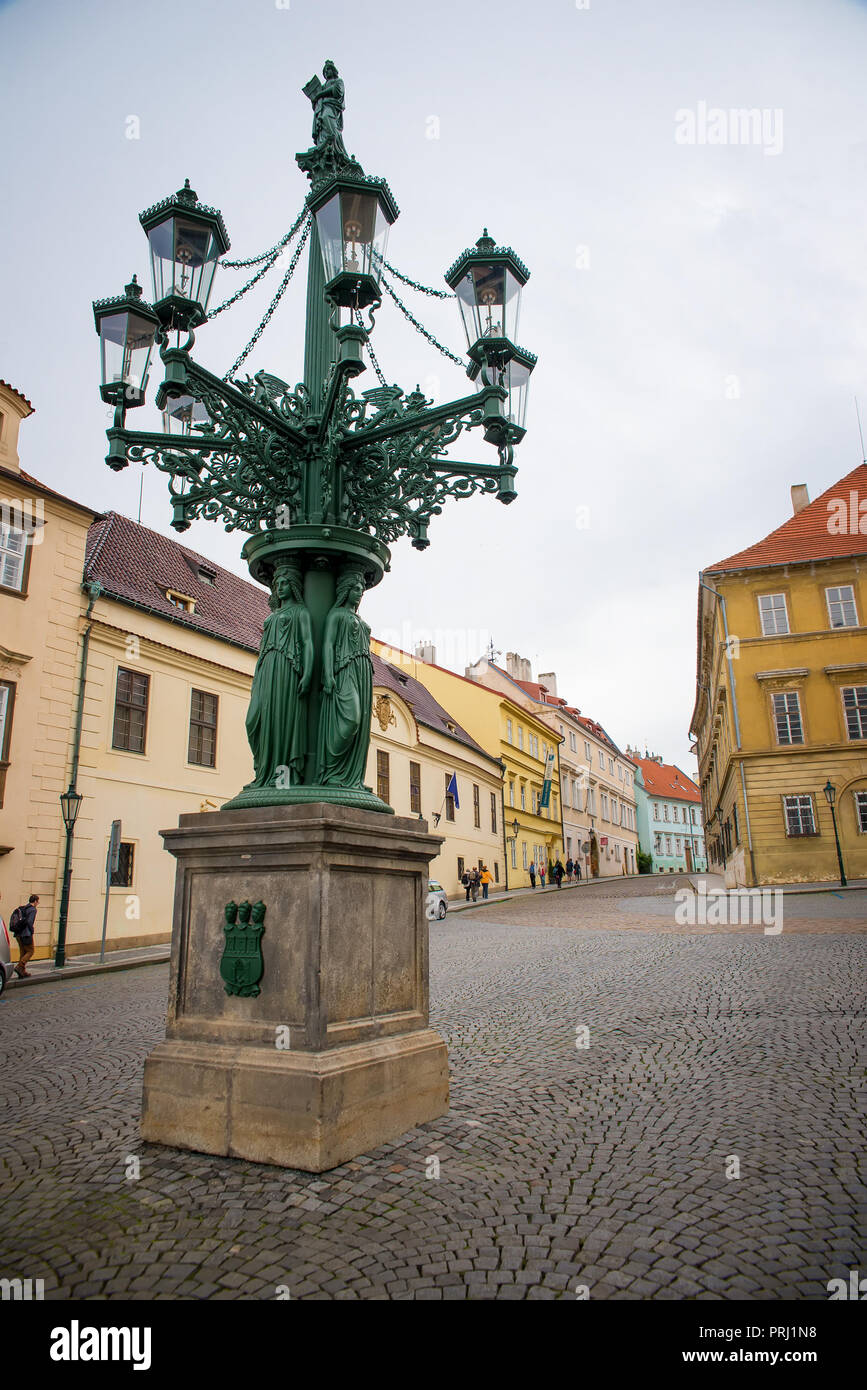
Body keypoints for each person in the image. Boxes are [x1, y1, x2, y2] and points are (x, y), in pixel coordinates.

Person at [11, 894, 39, 978]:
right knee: (30, 951)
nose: (38, 903)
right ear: (35, 901)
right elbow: (29, 922)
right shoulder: (33, 909)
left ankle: (22, 972)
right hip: (26, 934)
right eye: (38, 901)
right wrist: (32, 931)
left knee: (23, 952)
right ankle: (20, 966)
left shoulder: (23, 908)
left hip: (18, 934)